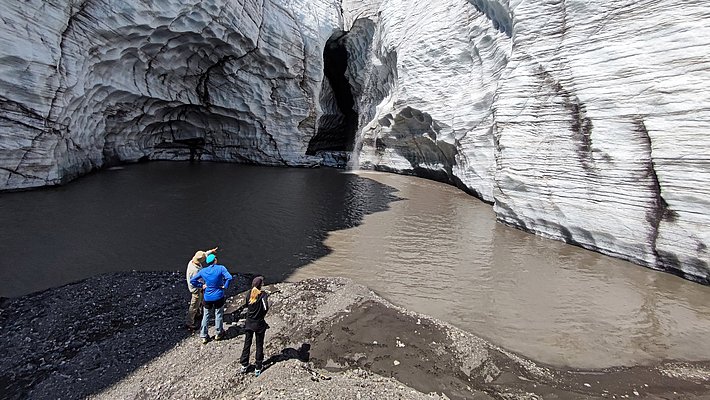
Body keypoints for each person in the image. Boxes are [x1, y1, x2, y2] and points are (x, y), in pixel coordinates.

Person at [190, 253, 233, 344]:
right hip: (218, 296)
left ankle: (204, 336)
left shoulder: (203, 271)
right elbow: (229, 277)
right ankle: (218, 333)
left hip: (207, 297)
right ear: (215, 260)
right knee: (218, 314)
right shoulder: (221, 268)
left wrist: (201, 286)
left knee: (206, 316)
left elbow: (192, 281)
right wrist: (225, 286)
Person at [240, 276, 269, 377]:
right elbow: (266, 308)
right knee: (259, 344)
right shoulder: (263, 295)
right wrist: (261, 316)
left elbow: (247, 306)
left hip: (249, 322)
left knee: (247, 344)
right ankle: (258, 366)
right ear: (261, 285)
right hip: (259, 324)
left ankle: (244, 365)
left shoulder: (249, 294)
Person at [185, 247, 218, 330]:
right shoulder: (194, 270)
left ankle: (198, 313)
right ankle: (190, 322)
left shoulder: (193, 262)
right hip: (196, 289)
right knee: (194, 305)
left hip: (198, 287)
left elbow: (204, 254)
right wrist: (202, 286)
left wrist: (211, 251)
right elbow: (194, 282)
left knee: (199, 301)